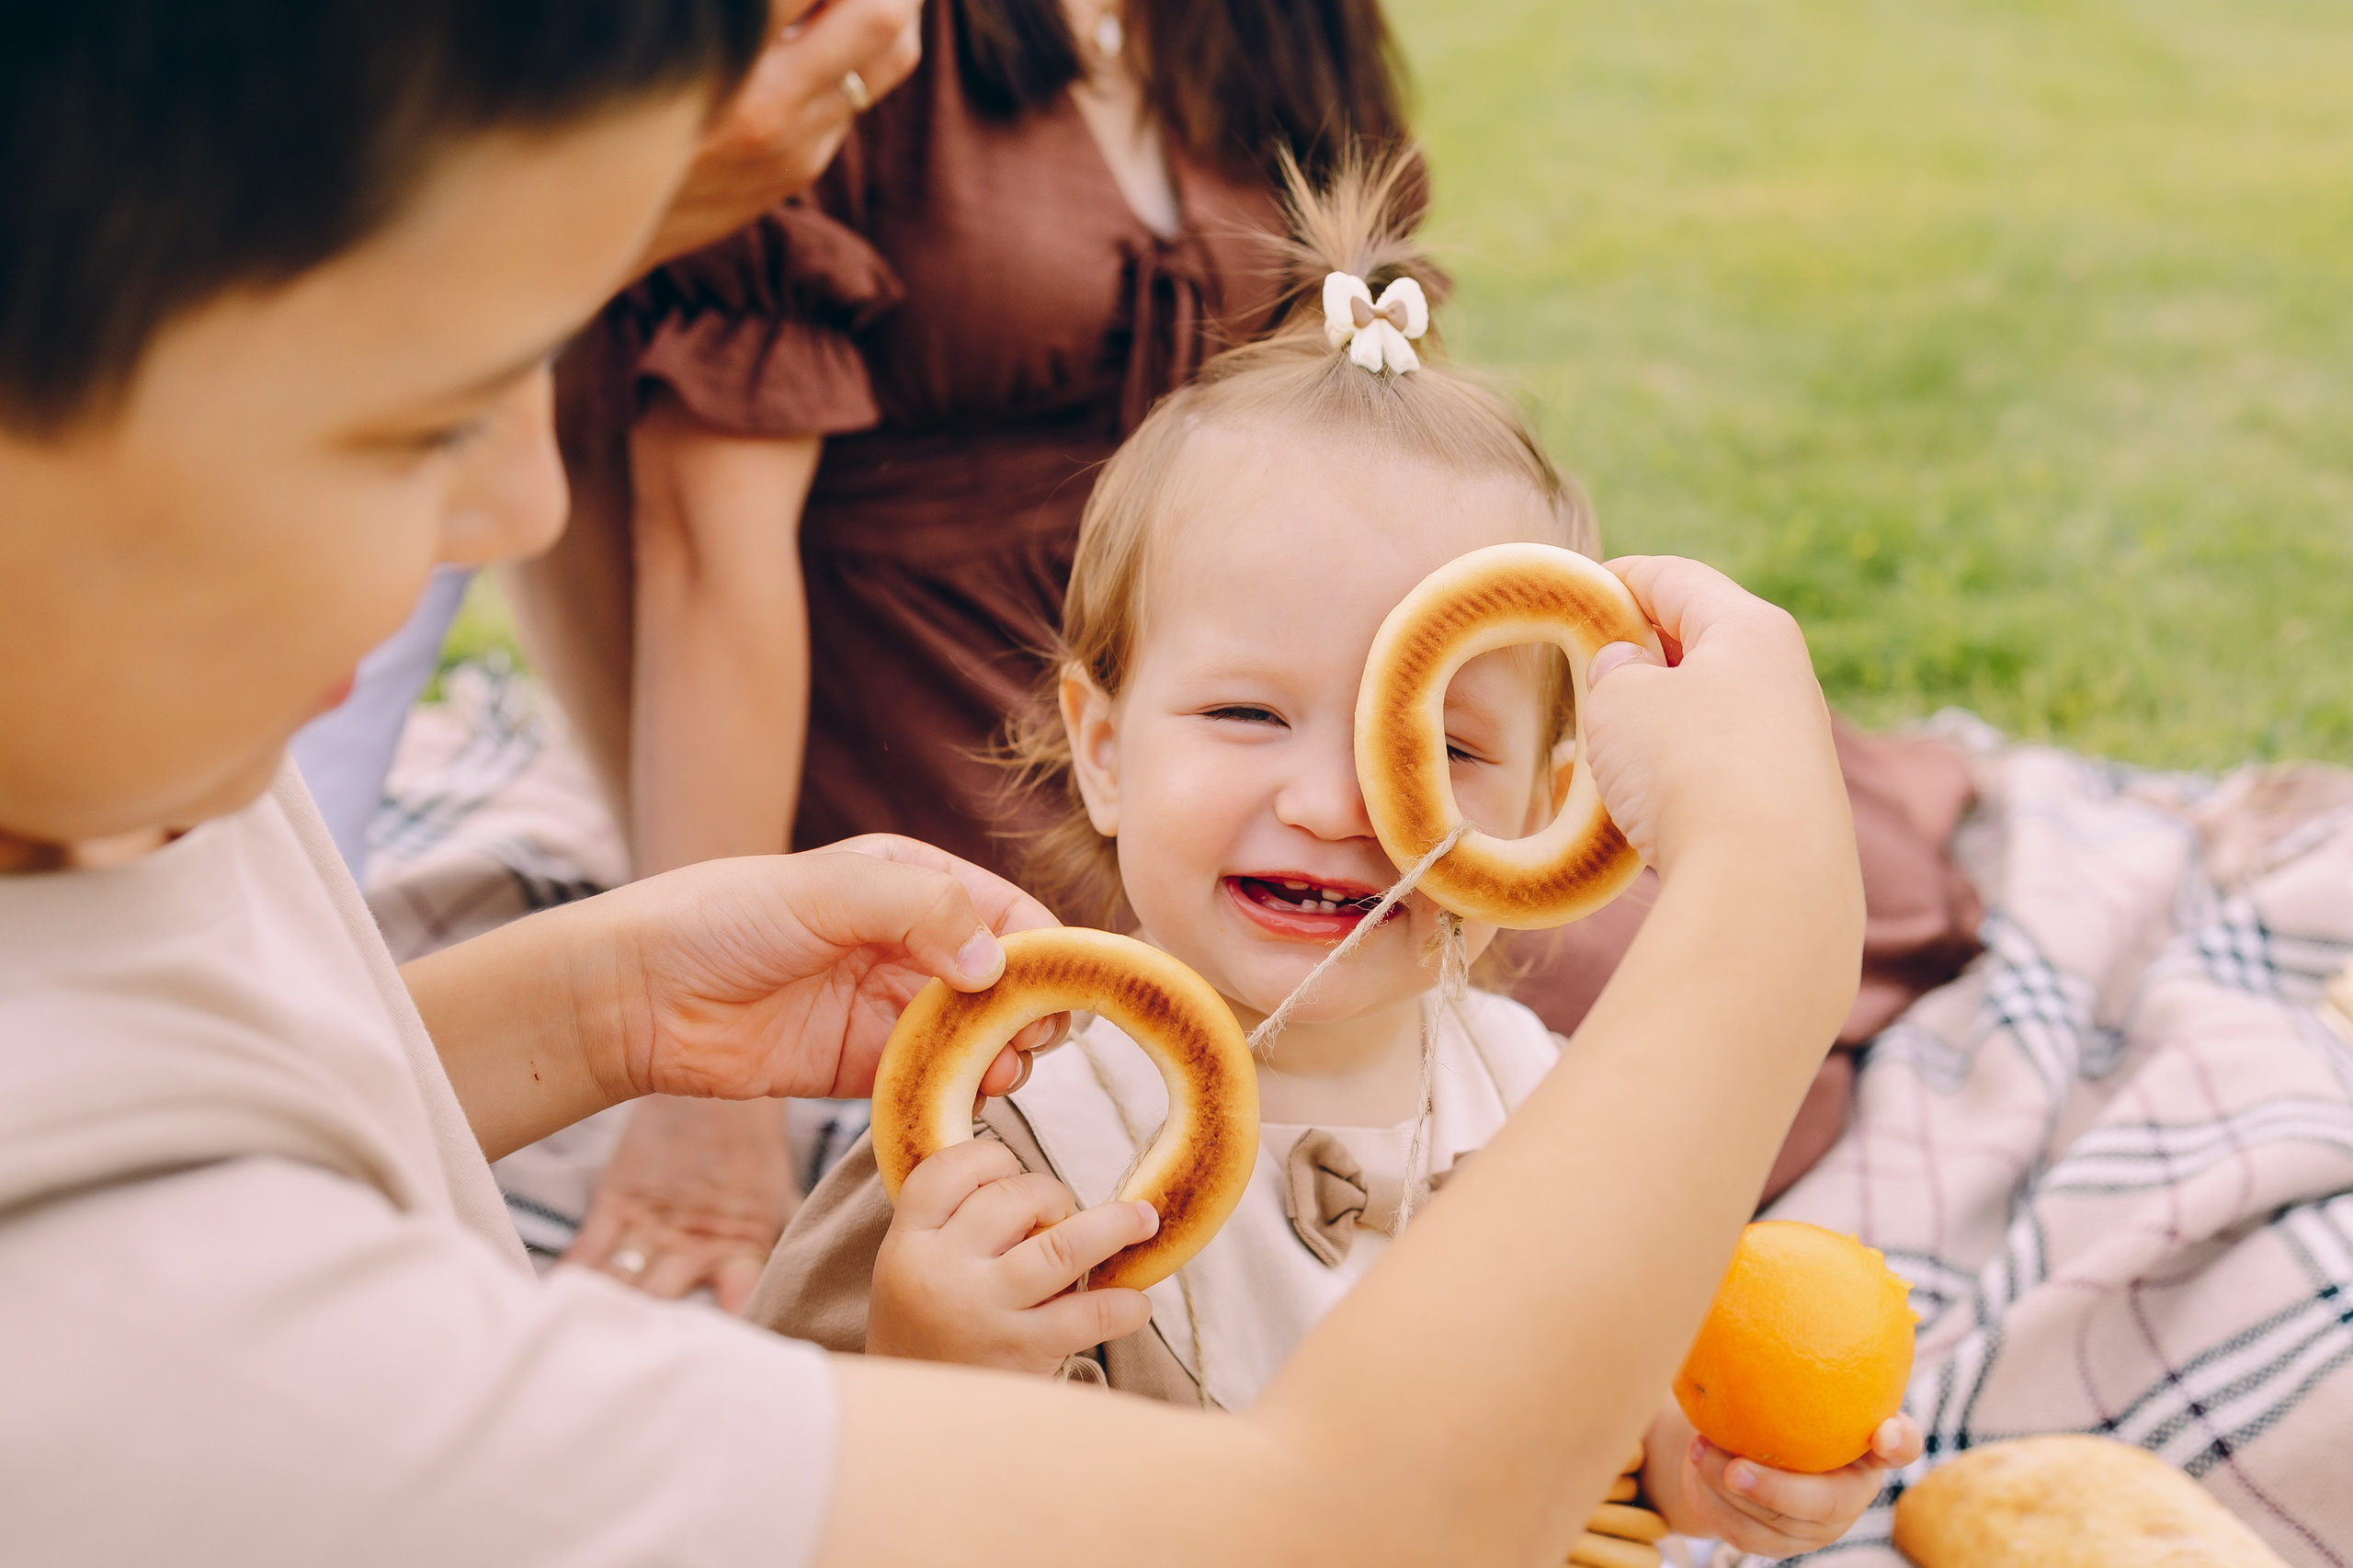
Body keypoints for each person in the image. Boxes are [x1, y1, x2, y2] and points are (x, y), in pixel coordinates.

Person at [2, 2, 1868, 1562]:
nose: (525, 511)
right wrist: (1763, 921)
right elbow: (1324, 1529)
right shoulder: (137, 1337)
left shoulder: (143, 790)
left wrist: (601, 1003)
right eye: (411, 415)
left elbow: (224, 1051)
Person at [750, 163, 1924, 1560]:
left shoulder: (1552, 1106)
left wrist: (1698, 1455)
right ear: (1106, 746)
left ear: (1554, 812)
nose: (1336, 804)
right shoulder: (1002, 1150)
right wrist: (930, 1349)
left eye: (1448, 747)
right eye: (1248, 713)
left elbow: (1597, 1417)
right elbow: (798, 1484)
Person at [505, 0, 1415, 1302]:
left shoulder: (1280, 24)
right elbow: (711, 550)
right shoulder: (847, 40)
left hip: (1230, 679)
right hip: (930, 703)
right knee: (1160, 1037)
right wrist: (705, 1113)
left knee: (1662, 948)